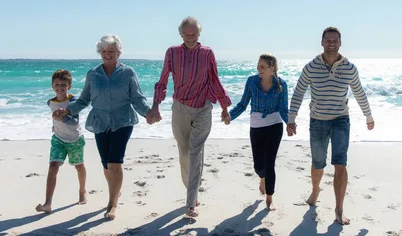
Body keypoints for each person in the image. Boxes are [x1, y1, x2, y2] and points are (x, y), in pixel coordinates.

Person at [53, 34, 160, 220]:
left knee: (114, 162)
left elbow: (137, 98)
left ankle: (112, 204)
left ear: (118, 52)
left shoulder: (128, 73)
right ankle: (115, 192)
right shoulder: (93, 74)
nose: (107, 54)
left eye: (111, 51)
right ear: (99, 52)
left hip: (122, 121)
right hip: (100, 121)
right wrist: (66, 111)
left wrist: (148, 113)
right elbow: (85, 99)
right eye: (104, 51)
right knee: (106, 165)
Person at [287, 26, 375, 225]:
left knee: (340, 162)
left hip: (340, 120)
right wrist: (291, 119)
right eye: (328, 40)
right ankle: (316, 189)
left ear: (341, 43)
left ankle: (339, 209)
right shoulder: (310, 67)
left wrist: (368, 116)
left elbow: (359, 92)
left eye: (335, 40)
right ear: (322, 42)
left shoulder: (349, 68)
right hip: (317, 120)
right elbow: (299, 92)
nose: (332, 43)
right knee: (318, 163)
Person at [149, 16, 232, 218]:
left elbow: (214, 79)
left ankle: (191, 202)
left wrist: (224, 106)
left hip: (203, 107)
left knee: (196, 153)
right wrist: (155, 106)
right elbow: (162, 80)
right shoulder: (172, 52)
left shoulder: (207, 53)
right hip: (180, 107)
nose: (190, 38)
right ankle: (192, 189)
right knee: (184, 154)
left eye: (193, 34)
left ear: (199, 34)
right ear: (180, 34)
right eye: (186, 34)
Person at [224, 54, 288, 211]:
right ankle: (262, 179)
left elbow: (283, 108)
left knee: (269, 163)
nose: (259, 69)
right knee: (259, 166)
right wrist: (230, 116)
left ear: (272, 68)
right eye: (258, 66)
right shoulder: (252, 81)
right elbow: (243, 103)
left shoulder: (281, 84)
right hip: (256, 125)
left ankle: (269, 198)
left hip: (275, 125)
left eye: (262, 67)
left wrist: (290, 123)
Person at [35, 69, 87, 213]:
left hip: (75, 140)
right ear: (52, 86)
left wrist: (63, 118)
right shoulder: (50, 102)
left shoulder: (73, 101)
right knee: (53, 167)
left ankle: (82, 191)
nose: (60, 87)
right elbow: (55, 115)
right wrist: (55, 124)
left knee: (78, 166)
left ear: (69, 86)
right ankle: (48, 203)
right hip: (58, 139)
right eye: (57, 84)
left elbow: (74, 121)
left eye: (63, 85)